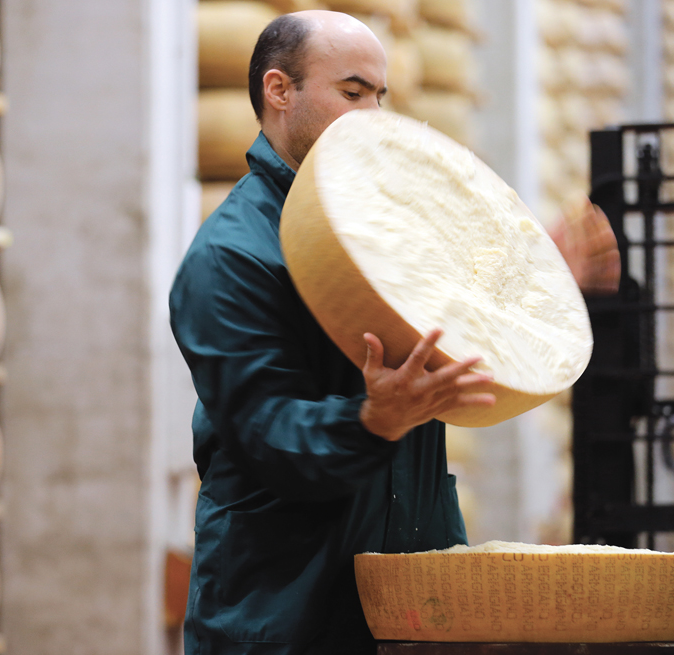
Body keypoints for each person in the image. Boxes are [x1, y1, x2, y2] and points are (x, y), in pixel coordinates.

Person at [169, 10, 620, 655]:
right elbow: (268, 434)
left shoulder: (399, 226)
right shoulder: (231, 256)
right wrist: (372, 421)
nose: (374, 115)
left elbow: (461, 318)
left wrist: (532, 278)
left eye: (380, 96)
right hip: (285, 614)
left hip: (412, 609)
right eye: (352, 94)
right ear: (279, 91)